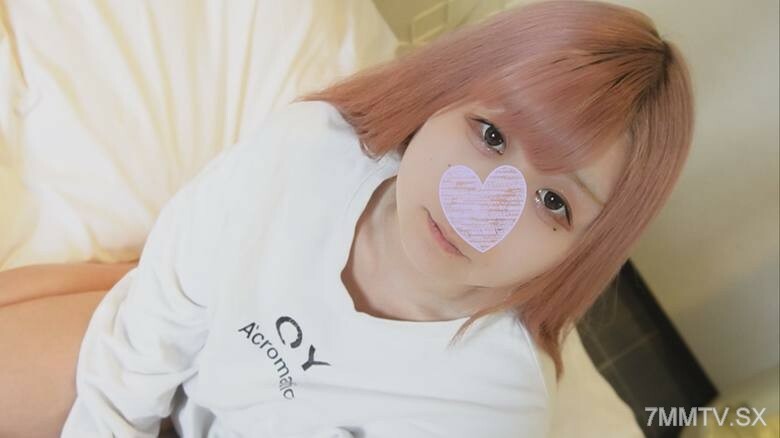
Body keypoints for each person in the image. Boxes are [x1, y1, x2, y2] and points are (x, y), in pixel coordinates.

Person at [0, 0, 695, 436]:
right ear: (445, 94)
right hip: (166, 355)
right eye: (489, 134)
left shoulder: (484, 409)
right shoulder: (307, 152)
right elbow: (152, 324)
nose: (483, 207)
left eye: (553, 203)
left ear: (586, 248)